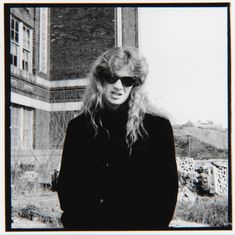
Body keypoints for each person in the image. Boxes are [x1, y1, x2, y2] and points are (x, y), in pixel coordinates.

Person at [57, 47, 178, 230]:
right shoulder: (78, 128)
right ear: (100, 80)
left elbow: (166, 193)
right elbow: (67, 188)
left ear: (134, 85)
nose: (119, 87)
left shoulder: (157, 128)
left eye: (127, 81)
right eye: (112, 78)